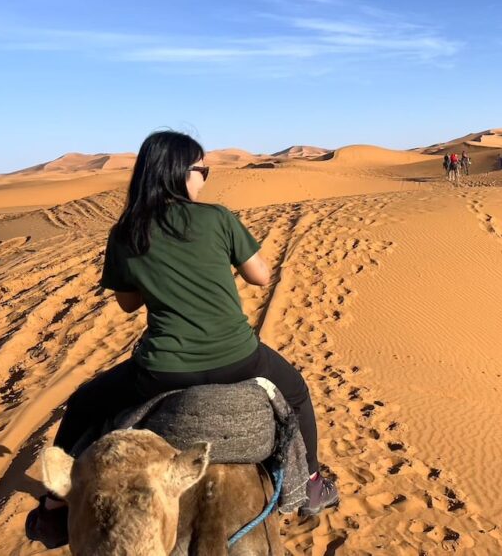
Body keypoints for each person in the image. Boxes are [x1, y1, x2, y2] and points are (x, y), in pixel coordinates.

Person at [26, 131, 338, 547]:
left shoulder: (127, 232)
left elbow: (127, 303)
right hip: (239, 359)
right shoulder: (218, 218)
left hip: (161, 372)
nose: (205, 178)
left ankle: (55, 507)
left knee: (85, 403)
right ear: (178, 172)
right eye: (201, 169)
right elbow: (260, 276)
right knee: (296, 391)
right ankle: (313, 483)